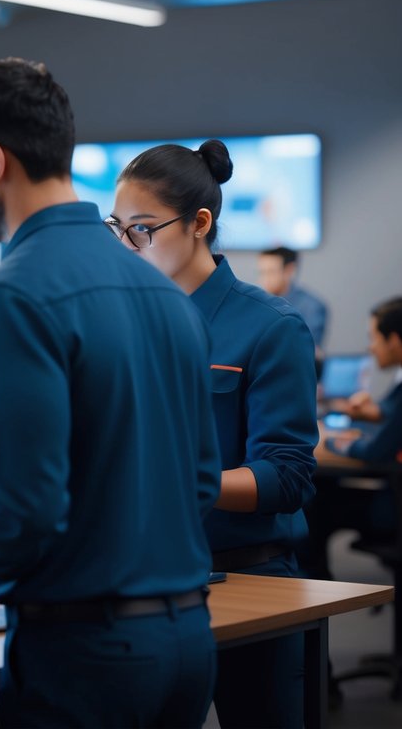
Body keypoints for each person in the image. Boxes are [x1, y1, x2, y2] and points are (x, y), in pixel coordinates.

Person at [0, 58, 221, 728]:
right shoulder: (167, 295)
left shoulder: (14, 295)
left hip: (85, 655)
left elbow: (24, 503)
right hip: (187, 645)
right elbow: (198, 482)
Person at [112, 140, 317, 728]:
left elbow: (288, 477)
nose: (126, 246)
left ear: (199, 223)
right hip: (140, 581)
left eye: (142, 229)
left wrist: (183, 482)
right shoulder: (122, 323)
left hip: (247, 576)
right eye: (117, 228)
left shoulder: (269, 327)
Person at [300, 297, 402, 580]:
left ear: (394, 340)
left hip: (393, 506)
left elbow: (375, 451)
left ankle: (314, 583)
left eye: (374, 338)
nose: (370, 347)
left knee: (314, 501)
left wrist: (334, 442)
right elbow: (391, 413)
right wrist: (373, 415)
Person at [259, 246, 328, 351]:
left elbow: (309, 349)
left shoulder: (312, 307)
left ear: (289, 270)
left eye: (271, 272)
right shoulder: (258, 304)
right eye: (262, 272)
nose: (264, 280)